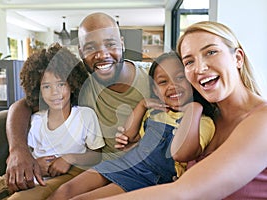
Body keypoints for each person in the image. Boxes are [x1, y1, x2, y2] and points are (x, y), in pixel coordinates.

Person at [99, 21, 267, 200]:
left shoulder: (262, 120)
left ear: (238, 58)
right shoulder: (207, 120)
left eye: (211, 52)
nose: (200, 68)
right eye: (189, 61)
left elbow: (184, 192)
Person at [0, 12, 151, 194]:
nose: (102, 54)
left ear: (122, 43)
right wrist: (18, 150)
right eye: (90, 48)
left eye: (110, 44)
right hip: (99, 172)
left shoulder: (155, 80)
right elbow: (23, 105)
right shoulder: (80, 83)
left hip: (143, 171)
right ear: (81, 52)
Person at [47, 51, 216, 200]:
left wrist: (194, 109)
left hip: (148, 177)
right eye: (163, 82)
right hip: (125, 162)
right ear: (155, 90)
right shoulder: (155, 113)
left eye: (180, 78)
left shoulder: (201, 121)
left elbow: (180, 153)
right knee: (65, 191)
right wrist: (142, 105)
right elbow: (128, 136)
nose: (172, 85)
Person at [0, 43, 105, 200]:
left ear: (72, 85)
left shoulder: (85, 116)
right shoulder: (37, 119)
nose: (55, 92)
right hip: (34, 173)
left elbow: (97, 154)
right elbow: (29, 152)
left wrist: (69, 158)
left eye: (61, 84)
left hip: (66, 175)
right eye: (46, 87)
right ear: (38, 90)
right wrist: (33, 164)